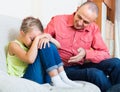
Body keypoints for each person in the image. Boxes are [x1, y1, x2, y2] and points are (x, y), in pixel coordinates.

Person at [44, 1, 120, 92]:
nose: (79, 23)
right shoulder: (57, 21)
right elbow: (43, 43)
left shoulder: (93, 28)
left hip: (81, 64)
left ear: (92, 21)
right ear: (77, 9)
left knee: (116, 63)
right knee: (96, 74)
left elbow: (105, 53)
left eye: (85, 22)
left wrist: (86, 53)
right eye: (79, 17)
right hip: (63, 69)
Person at [6, 16, 81, 88]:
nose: (33, 42)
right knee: (43, 45)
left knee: (48, 44)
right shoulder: (14, 45)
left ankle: (64, 78)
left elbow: (58, 46)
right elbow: (30, 59)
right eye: (32, 39)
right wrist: (38, 39)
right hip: (26, 79)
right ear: (22, 33)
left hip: (41, 77)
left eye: (37, 38)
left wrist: (49, 38)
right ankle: (57, 80)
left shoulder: (31, 43)